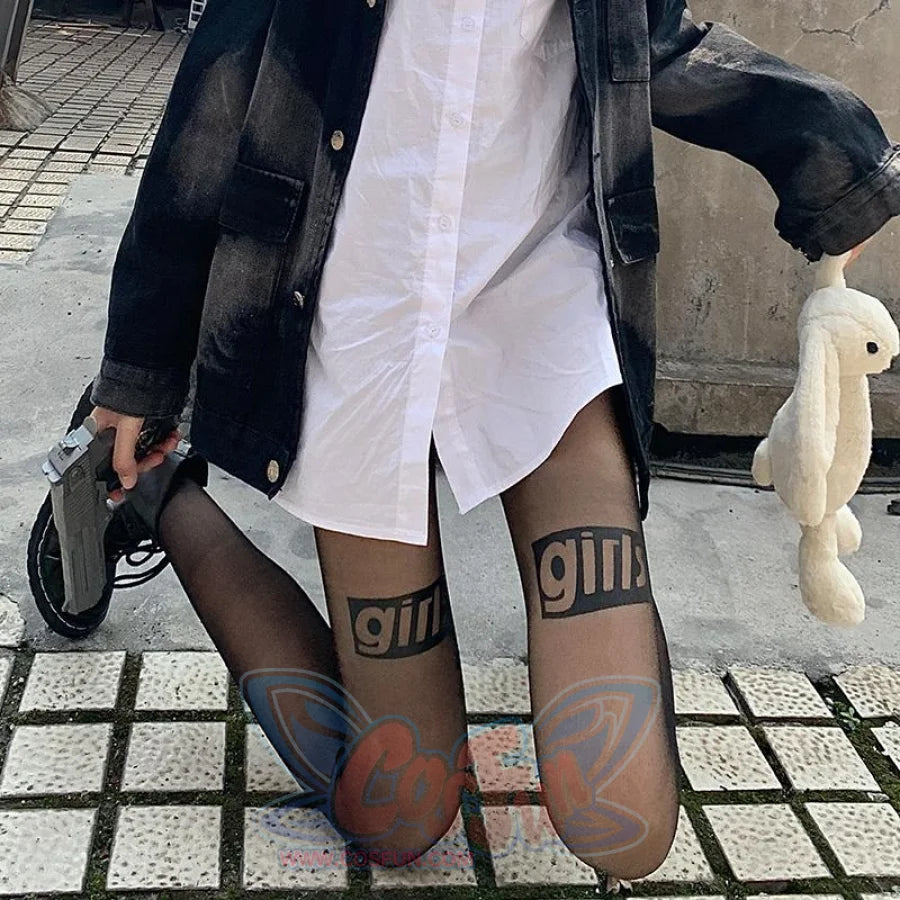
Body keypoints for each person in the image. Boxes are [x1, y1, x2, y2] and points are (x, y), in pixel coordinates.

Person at [80, 0, 896, 880]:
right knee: (402, 815)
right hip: (352, 308)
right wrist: (139, 372)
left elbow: (654, 41)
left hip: (538, 293)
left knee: (623, 821)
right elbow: (217, 89)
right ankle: (160, 495)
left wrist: (836, 157)